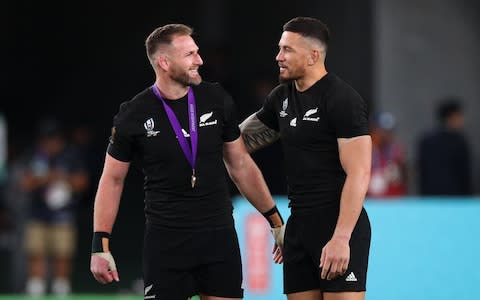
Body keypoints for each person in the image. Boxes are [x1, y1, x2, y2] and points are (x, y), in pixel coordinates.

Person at [89, 24, 285, 300]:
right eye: (190, 54)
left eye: (198, 52)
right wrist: (100, 245)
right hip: (166, 242)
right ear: (164, 62)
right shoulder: (133, 114)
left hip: (218, 236)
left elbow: (240, 164)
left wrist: (275, 221)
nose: (200, 60)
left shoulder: (216, 99)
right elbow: (112, 179)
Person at [240, 17, 372, 300]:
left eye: (287, 50)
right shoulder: (280, 98)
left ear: (313, 55)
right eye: (279, 48)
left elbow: (359, 173)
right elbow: (236, 143)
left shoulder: (342, 99)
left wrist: (341, 237)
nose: (278, 57)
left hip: (338, 226)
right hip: (298, 228)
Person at [20, 118, 89, 296]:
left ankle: (61, 287)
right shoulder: (34, 155)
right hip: (38, 214)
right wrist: (45, 178)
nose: (50, 143)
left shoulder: (71, 155)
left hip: (63, 215)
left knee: (63, 252)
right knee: (36, 251)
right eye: (47, 139)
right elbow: (25, 183)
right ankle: (36, 287)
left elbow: (83, 182)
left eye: (54, 138)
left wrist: (62, 178)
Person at [417, 98, 472, 195]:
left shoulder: (426, 141)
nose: (461, 120)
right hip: (456, 198)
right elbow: (465, 175)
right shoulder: (460, 142)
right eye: (459, 116)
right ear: (451, 117)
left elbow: (421, 173)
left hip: (431, 197)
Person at [367, 112, 408, 197]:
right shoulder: (363, 150)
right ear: (373, 130)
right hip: (369, 202)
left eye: (390, 131)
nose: (386, 135)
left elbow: (404, 180)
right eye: (383, 131)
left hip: (393, 202)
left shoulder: (396, 150)